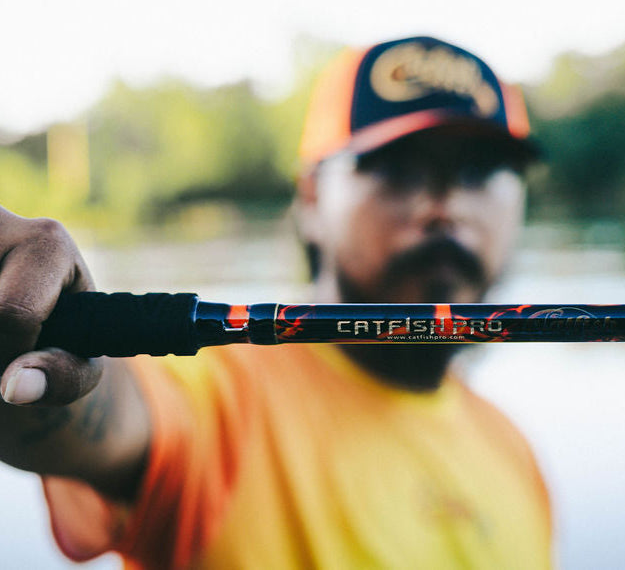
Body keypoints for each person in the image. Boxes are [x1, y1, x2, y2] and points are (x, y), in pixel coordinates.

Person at [0, 36, 552, 568]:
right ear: (311, 197)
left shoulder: (516, 455)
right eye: (398, 167)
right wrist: (22, 329)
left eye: (481, 171)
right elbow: (98, 415)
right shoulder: (218, 401)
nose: (445, 207)